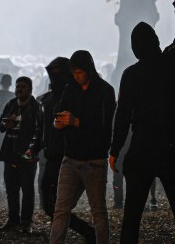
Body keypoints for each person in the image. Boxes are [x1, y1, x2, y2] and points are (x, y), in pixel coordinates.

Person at [109, 0, 175, 244]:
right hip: (172, 146)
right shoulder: (171, 62)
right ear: (157, 42)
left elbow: (122, 116)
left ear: (135, 48)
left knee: (132, 216)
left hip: (142, 149)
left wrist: (115, 150)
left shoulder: (131, 75)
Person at [50, 50, 116, 244]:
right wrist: (58, 123)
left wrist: (77, 121)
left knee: (98, 211)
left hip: (95, 160)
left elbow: (105, 127)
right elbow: (59, 113)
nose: (77, 77)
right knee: (61, 210)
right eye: (74, 73)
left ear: (89, 69)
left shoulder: (105, 91)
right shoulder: (71, 89)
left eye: (79, 72)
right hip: (71, 158)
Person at [39, 56, 96, 244]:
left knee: (57, 205)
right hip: (51, 155)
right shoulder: (50, 98)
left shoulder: (76, 95)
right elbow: (45, 127)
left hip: (67, 156)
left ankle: (87, 232)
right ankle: (87, 232)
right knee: (50, 205)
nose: (54, 77)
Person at [0, 75, 42, 233]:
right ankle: (13, 219)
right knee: (11, 188)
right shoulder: (11, 105)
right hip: (10, 152)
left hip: (27, 154)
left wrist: (32, 149)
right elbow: (0, 123)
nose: (19, 89)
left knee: (27, 189)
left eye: (22, 87)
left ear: (29, 89)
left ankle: (26, 222)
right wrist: (5, 123)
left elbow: (39, 131)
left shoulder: (36, 107)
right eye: (17, 87)